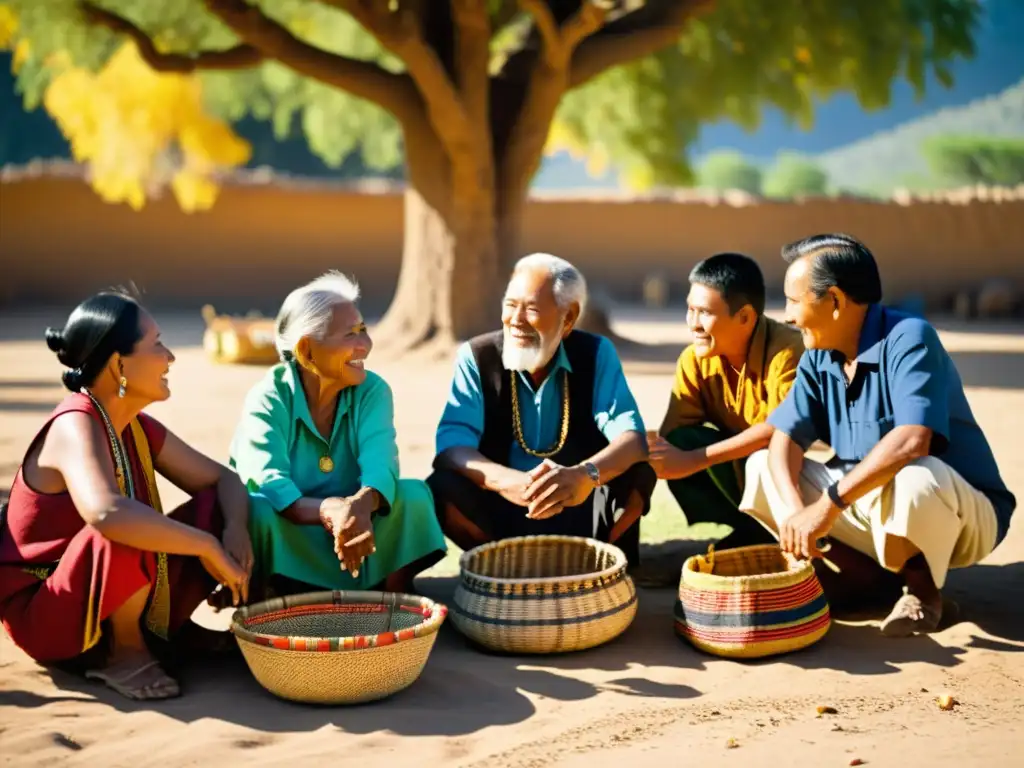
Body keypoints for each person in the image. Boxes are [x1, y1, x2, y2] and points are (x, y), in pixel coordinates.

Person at [740, 234, 1016, 636]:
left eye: (793, 301)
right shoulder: (818, 355)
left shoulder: (910, 338)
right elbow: (784, 438)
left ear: (834, 301)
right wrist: (798, 513)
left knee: (915, 474)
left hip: (964, 514)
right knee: (762, 464)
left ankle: (923, 591)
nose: (787, 315)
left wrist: (826, 506)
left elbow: (912, 441)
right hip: (865, 505)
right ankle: (863, 580)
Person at [0, 292, 252, 701]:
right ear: (119, 364)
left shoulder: (135, 427)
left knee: (219, 508)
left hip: (97, 585)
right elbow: (106, 513)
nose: (170, 356)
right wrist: (207, 546)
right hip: (48, 612)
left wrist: (235, 530)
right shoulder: (74, 424)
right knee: (124, 524)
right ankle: (123, 653)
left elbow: (224, 480)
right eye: (156, 344)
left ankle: (164, 633)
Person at [427, 253, 655, 564]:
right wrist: (508, 482)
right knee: (441, 486)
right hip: (503, 509)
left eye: (531, 309)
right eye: (510, 305)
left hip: (581, 507)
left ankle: (598, 564)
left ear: (569, 318)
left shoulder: (595, 353)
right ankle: (504, 564)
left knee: (638, 475)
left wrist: (583, 476)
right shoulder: (477, 356)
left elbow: (632, 440)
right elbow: (452, 447)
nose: (516, 320)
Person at [229, 272, 446, 598]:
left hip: (359, 525)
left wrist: (360, 505)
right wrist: (329, 510)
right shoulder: (268, 397)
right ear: (306, 350)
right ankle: (281, 597)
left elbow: (381, 463)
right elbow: (268, 481)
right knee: (258, 510)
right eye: (349, 335)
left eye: (363, 331)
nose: (365, 346)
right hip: (295, 528)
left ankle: (389, 594)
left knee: (414, 496)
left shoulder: (373, 390)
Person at [647, 253, 804, 557]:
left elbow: (781, 431)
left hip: (800, 479)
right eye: (689, 310)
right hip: (742, 472)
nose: (694, 324)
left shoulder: (789, 352)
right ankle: (752, 531)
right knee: (679, 444)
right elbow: (671, 438)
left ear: (745, 317)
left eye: (704, 312)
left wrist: (695, 459)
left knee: (747, 457)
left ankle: (772, 532)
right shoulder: (694, 361)